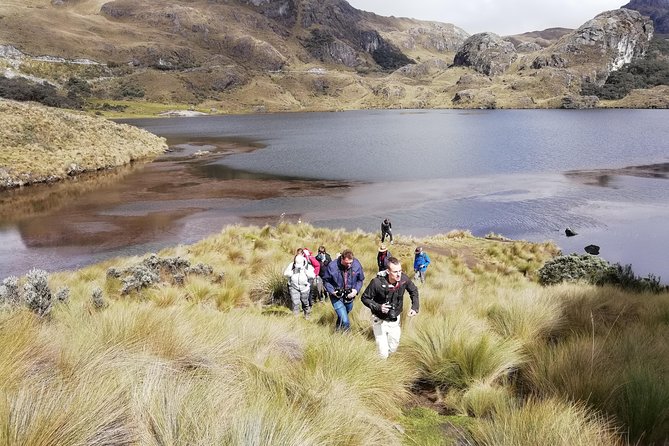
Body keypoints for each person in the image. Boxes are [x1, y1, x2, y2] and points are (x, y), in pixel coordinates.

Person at [361, 256, 419, 359]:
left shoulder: (404, 280)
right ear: (388, 271)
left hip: (395, 319)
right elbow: (365, 298)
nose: (398, 274)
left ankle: (389, 357)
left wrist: (414, 307)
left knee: (393, 347)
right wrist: (379, 307)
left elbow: (414, 291)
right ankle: (382, 369)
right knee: (383, 353)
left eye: (400, 271)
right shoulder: (376, 283)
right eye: (395, 271)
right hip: (379, 320)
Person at [322, 249, 365, 331]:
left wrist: (355, 290)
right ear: (341, 259)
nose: (349, 265)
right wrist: (332, 291)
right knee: (345, 321)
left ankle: (338, 330)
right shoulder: (332, 266)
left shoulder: (356, 264)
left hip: (350, 296)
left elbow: (360, 279)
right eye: (347, 263)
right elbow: (326, 281)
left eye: (350, 263)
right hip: (336, 296)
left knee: (343, 314)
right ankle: (348, 339)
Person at [283, 253, 315, 318]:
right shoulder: (291, 265)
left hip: (305, 288)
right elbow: (285, 274)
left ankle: (307, 314)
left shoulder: (308, 267)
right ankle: (296, 318)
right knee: (295, 303)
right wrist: (293, 271)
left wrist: (305, 271)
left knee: (305, 302)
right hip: (293, 287)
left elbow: (313, 276)